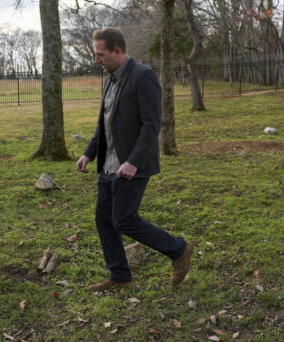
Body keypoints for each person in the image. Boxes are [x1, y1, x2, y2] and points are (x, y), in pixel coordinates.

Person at [76, 27, 194, 292]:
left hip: (131, 167)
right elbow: (103, 125)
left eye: (101, 54)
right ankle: (119, 276)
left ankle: (179, 249)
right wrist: (88, 153)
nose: (97, 60)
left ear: (117, 51)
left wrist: (133, 161)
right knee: (104, 220)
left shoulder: (143, 76)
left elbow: (152, 125)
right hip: (108, 166)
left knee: (123, 219)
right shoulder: (109, 81)